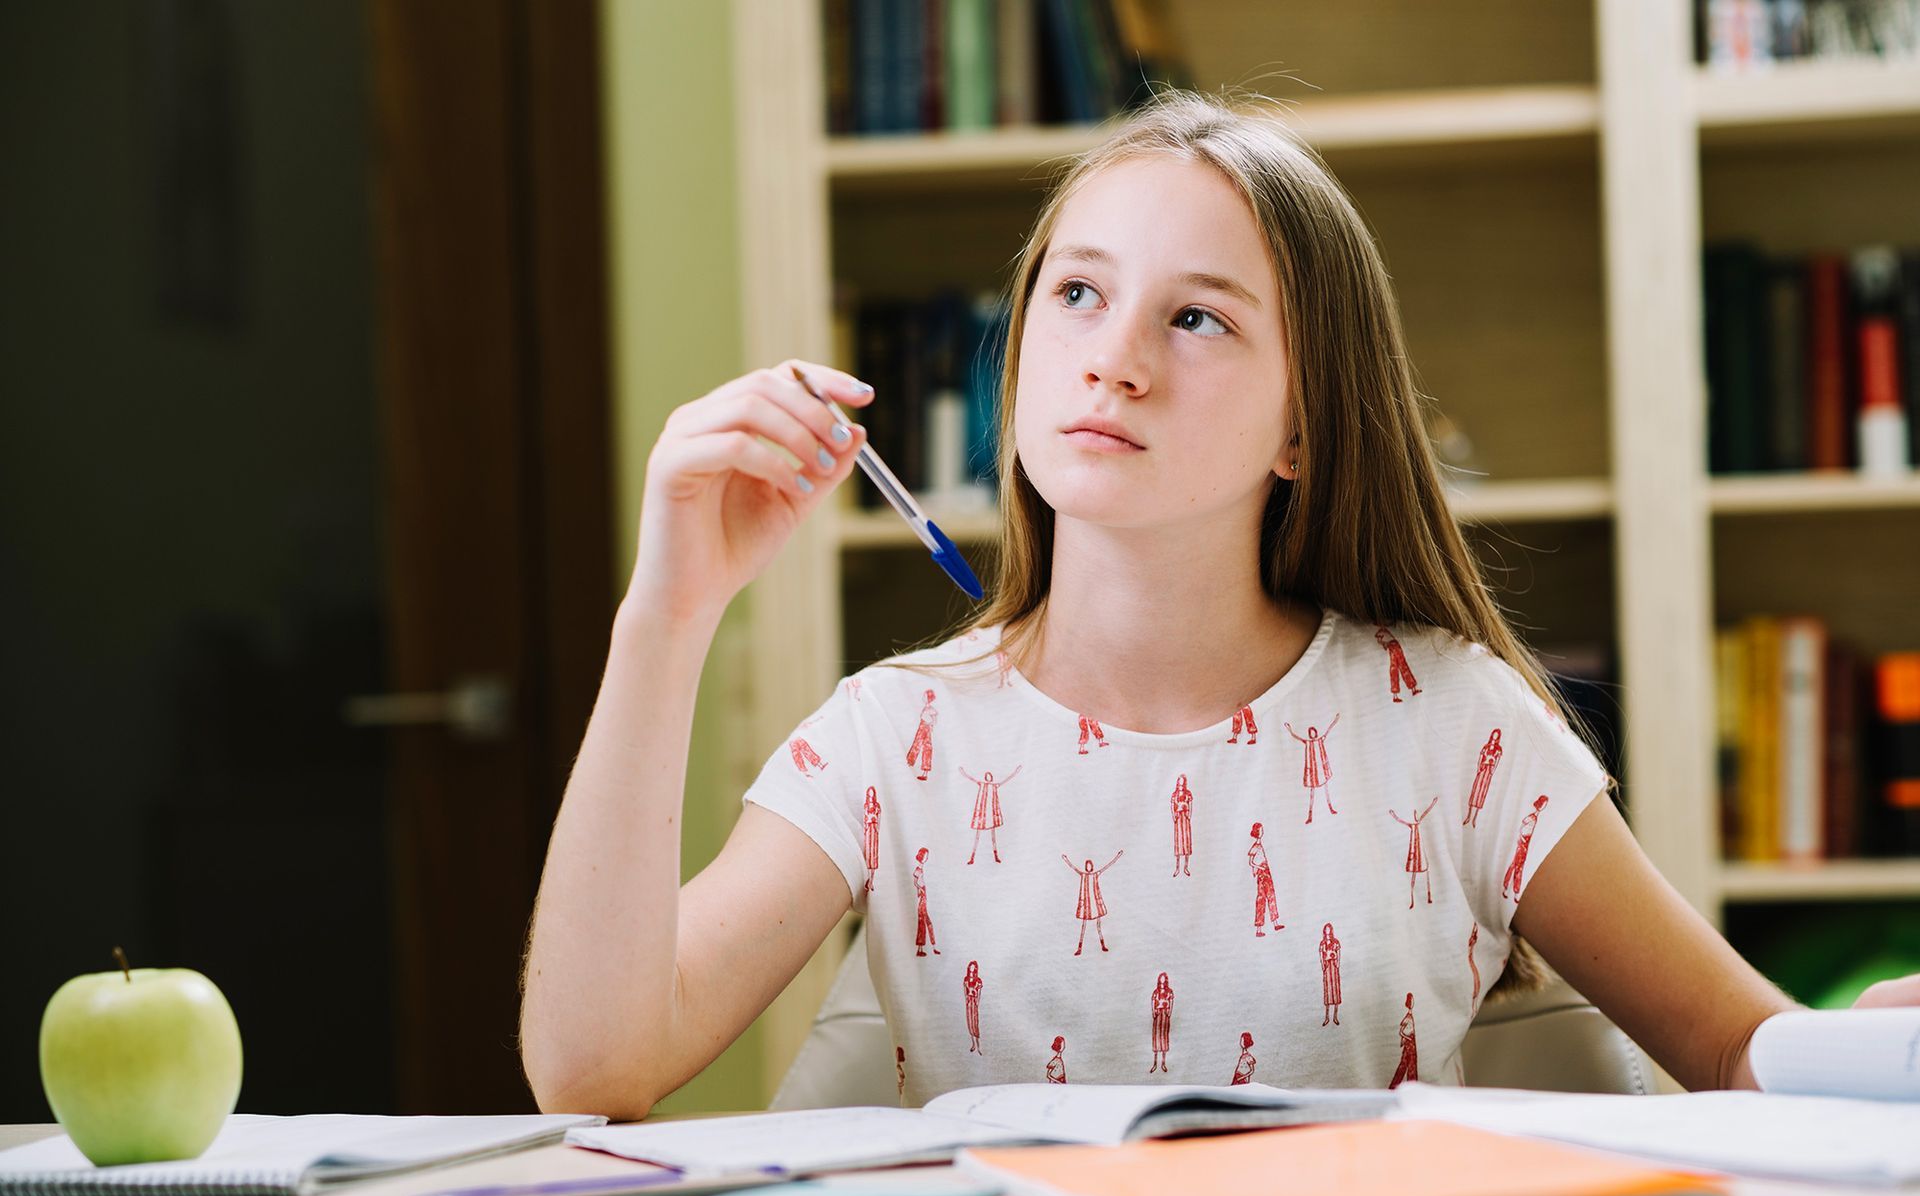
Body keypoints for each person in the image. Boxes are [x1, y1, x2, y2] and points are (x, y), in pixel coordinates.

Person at [518, 87, 1918, 1119]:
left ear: (1303, 429)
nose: (1111, 357)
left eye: (1195, 318)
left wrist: (1868, 1044)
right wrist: (669, 609)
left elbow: (1740, 1047)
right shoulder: (891, 739)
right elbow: (594, 1066)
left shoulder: (1453, 722)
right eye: (1075, 293)